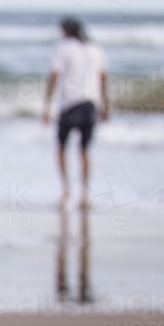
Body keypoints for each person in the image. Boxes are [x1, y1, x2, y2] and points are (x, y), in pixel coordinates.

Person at [42, 17, 109, 209]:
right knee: (85, 150)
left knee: (62, 148)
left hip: (69, 104)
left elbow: (54, 75)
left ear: (66, 31)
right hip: (90, 104)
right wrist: (106, 104)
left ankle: (66, 191)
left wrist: (47, 104)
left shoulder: (64, 48)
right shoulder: (96, 49)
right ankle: (85, 196)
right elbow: (103, 77)